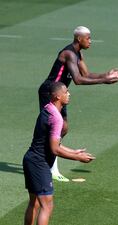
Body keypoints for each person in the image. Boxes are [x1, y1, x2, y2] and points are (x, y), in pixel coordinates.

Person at [38, 26, 118, 181]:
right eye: (88, 38)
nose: (90, 41)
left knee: (63, 128)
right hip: (50, 93)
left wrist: (106, 75)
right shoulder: (69, 54)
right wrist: (104, 81)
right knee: (56, 127)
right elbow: (78, 80)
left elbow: (86, 74)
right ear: (79, 38)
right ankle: (50, 167)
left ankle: (49, 162)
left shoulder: (78, 53)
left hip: (60, 94)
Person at [23, 82, 95, 225]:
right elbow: (55, 149)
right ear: (57, 96)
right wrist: (78, 157)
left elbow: (52, 143)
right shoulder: (56, 118)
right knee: (47, 205)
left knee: (35, 203)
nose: (69, 94)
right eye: (66, 92)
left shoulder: (47, 109)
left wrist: (73, 151)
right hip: (39, 163)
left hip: (30, 160)